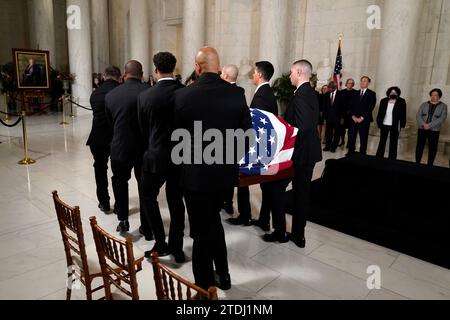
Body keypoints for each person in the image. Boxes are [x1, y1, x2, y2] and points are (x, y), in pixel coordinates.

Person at [174, 47, 252, 291]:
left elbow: (176, 140)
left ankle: (204, 288)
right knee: (213, 222)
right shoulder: (236, 93)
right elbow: (245, 138)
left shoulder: (183, 95)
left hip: (195, 175)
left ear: (198, 67)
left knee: (200, 230)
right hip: (223, 176)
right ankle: (224, 274)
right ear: (218, 68)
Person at [138, 52, 186, 263]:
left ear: (155, 70)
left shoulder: (146, 96)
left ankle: (160, 241)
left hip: (155, 155)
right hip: (180, 155)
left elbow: (143, 130)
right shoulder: (186, 93)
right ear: (174, 68)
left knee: (148, 196)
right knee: (176, 201)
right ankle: (176, 247)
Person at [229, 61, 278, 232]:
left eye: (254, 72)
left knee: (245, 179)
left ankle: (246, 216)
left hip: (258, 147)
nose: (252, 75)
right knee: (265, 185)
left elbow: (258, 125)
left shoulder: (262, 96)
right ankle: (263, 219)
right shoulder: (267, 92)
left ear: (260, 75)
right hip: (265, 146)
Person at [105, 60, 151, 237]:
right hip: (143, 148)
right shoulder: (148, 92)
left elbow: (111, 124)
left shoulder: (111, 95)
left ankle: (123, 219)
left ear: (124, 75)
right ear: (142, 75)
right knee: (144, 186)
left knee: (119, 182)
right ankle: (146, 225)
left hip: (120, 147)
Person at [285, 59, 322, 248]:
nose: (289, 76)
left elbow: (305, 126)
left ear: (299, 72)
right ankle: (297, 233)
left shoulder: (301, 95)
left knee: (299, 194)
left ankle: (297, 234)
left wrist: (289, 150)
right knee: (301, 193)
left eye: (291, 72)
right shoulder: (310, 92)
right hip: (307, 151)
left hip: (301, 154)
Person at [87, 66, 122, 213]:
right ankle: (120, 204)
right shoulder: (121, 91)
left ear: (104, 76)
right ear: (119, 77)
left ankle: (104, 202)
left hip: (98, 137)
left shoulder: (95, 94)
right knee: (119, 174)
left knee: (100, 169)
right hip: (117, 137)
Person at [220, 64, 245, 215]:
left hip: (222, 139)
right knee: (229, 172)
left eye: (222, 73)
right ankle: (228, 202)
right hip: (235, 139)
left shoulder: (222, 92)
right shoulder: (240, 92)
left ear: (226, 76)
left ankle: (223, 202)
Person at [416, 88, 448, 166]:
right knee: (419, 147)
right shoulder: (424, 104)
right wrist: (424, 124)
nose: (433, 97)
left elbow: (442, 118)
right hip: (422, 129)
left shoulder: (443, 106)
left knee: (432, 149)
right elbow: (418, 115)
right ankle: (417, 163)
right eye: (432, 95)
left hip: (434, 130)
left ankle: (430, 165)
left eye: (436, 95)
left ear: (439, 96)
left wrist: (429, 125)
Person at [347, 76, 377, 156]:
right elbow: (350, 106)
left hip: (364, 120)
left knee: (363, 137)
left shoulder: (372, 94)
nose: (362, 82)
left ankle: (362, 154)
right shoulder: (355, 93)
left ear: (368, 83)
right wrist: (353, 116)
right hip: (353, 120)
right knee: (351, 136)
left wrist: (362, 118)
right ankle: (350, 152)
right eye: (361, 81)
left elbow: (370, 107)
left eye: (364, 81)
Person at [376, 86, 407, 160]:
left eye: (395, 92)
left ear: (397, 93)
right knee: (382, 141)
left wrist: (402, 124)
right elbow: (380, 113)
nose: (393, 93)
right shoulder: (383, 100)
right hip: (384, 124)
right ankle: (379, 157)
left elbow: (403, 113)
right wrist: (378, 122)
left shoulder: (401, 101)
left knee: (393, 142)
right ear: (389, 93)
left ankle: (392, 159)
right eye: (392, 92)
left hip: (395, 125)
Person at [323, 81, 344, 153]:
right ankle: (327, 146)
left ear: (335, 87)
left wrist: (342, 118)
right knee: (328, 133)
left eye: (330, 88)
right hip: (328, 118)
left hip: (337, 118)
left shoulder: (341, 94)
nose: (329, 89)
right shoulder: (326, 95)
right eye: (329, 87)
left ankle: (334, 147)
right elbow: (324, 107)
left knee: (337, 133)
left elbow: (343, 108)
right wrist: (325, 117)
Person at [340, 79, 357, 147]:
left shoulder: (356, 92)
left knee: (351, 130)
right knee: (342, 129)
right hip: (343, 114)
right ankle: (342, 141)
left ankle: (349, 143)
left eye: (351, 83)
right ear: (346, 84)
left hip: (352, 114)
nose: (350, 84)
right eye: (349, 83)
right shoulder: (341, 92)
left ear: (353, 85)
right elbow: (339, 104)